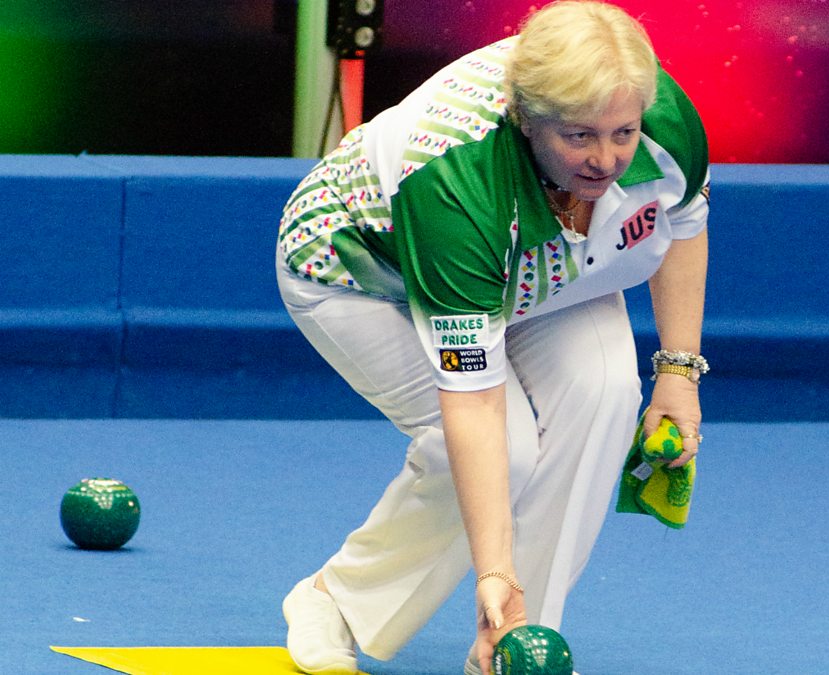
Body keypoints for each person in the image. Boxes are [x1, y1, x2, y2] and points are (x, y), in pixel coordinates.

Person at [275, 2, 710, 673]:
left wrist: (678, 375)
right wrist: (492, 570)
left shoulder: (654, 113)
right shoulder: (454, 183)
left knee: (605, 392)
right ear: (527, 119)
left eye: (621, 133)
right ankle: (333, 601)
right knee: (497, 449)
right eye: (580, 137)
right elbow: (475, 405)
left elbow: (680, 221)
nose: (607, 159)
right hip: (360, 270)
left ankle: (514, 643)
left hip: (540, 258)